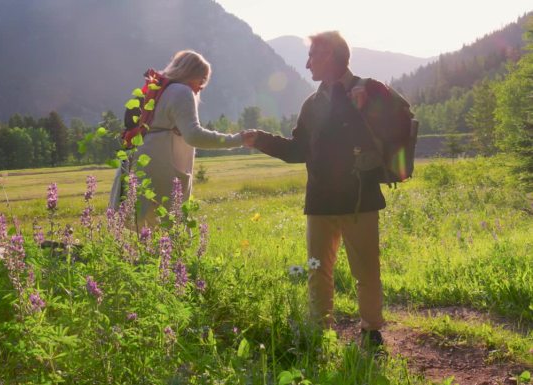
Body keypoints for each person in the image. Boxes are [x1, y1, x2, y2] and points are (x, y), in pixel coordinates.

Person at [243, 31, 411, 348]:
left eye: (312, 56)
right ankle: (320, 334)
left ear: (330, 56)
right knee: (317, 272)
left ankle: (371, 333)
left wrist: (367, 105)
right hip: (320, 203)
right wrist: (260, 139)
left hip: (360, 200)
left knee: (367, 272)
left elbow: (399, 123)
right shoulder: (312, 104)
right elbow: (297, 151)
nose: (306, 64)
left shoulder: (370, 90)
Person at [109, 50, 249, 227]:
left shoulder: (158, 88)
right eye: (202, 80)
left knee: (143, 229)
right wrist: (238, 140)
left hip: (138, 160)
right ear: (190, 74)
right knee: (171, 230)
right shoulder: (182, 91)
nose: (201, 87)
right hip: (161, 164)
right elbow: (194, 136)